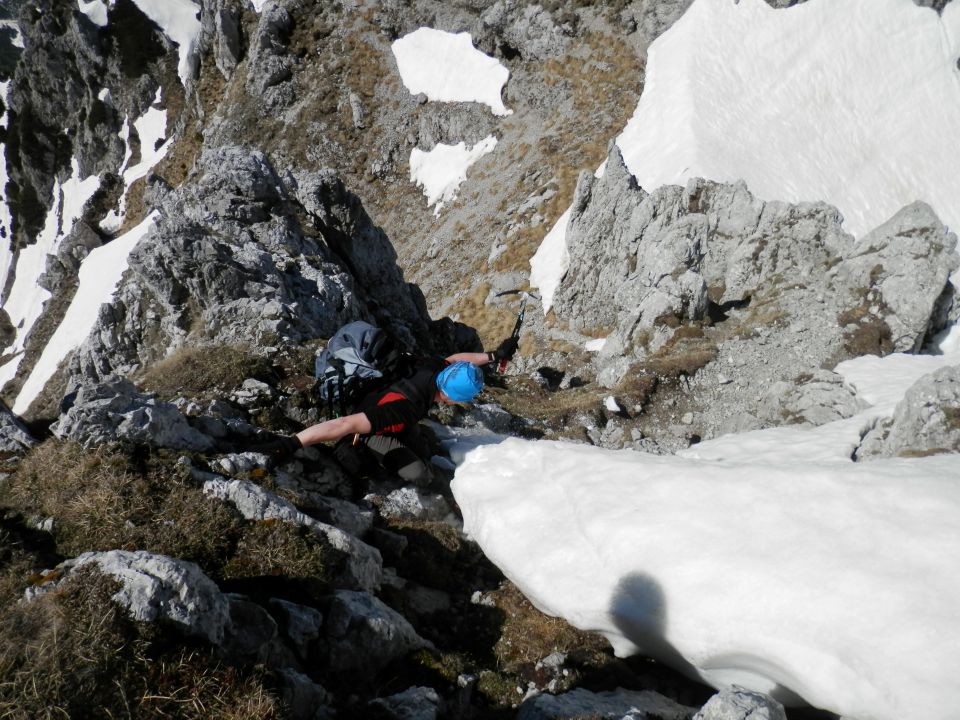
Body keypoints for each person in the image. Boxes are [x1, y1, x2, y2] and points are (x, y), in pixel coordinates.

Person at [255, 336, 519, 486]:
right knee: (420, 473)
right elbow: (345, 424)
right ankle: (361, 455)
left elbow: (457, 359)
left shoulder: (432, 368)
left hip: (379, 406)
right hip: (369, 428)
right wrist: (291, 444)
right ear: (452, 398)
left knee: (426, 446)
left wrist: (493, 356)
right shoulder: (407, 408)